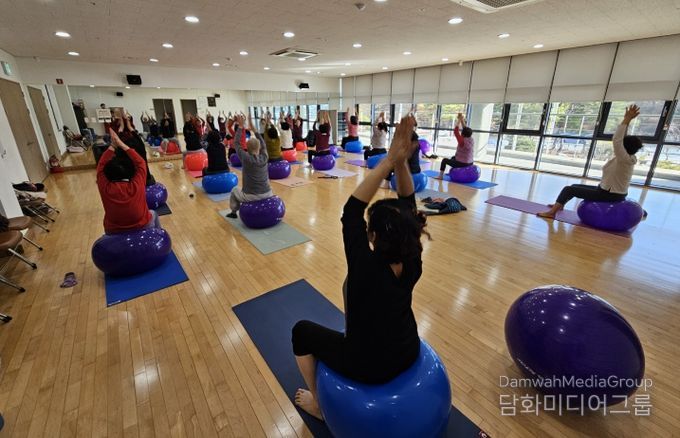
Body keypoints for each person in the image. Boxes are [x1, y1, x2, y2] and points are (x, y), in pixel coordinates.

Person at [291, 114, 428, 419]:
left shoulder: (365, 266)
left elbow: (352, 210)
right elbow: (408, 203)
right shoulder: (413, 258)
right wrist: (400, 162)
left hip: (369, 366)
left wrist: (389, 160)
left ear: (373, 236)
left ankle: (319, 405)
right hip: (408, 349)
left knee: (301, 331)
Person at [538, 105, 642, 218]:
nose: (619, 146)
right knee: (574, 186)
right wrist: (627, 121)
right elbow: (621, 139)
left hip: (609, 195)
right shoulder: (628, 157)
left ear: (624, 147)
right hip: (609, 191)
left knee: (568, 190)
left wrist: (626, 119)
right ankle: (560, 205)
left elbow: (617, 139)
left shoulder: (623, 158)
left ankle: (552, 213)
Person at [96, 129, 160, 234]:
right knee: (154, 213)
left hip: (113, 231)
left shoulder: (105, 188)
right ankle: (157, 237)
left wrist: (113, 146)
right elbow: (141, 163)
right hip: (141, 226)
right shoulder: (136, 184)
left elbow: (100, 167)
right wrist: (121, 144)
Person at [226, 114, 273, 218]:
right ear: (259, 148)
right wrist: (254, 129)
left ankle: (233, 212)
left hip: (251, 196)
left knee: (234, 190)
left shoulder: (245, 158)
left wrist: (240, 126)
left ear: (247, 148)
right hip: (268, 193)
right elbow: (263, 143)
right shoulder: (265, 157)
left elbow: (237, 143)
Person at [437, 113, 474, 179]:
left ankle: (440, 176)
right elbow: (465, 129)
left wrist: (459, 120)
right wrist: (462, 119)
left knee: (444, 160)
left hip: (462, 163)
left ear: (462, 134)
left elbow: (456, 131)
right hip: (470, 163)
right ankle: (451, 173)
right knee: (453, 158)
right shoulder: (471, 139)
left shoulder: (462, 140)